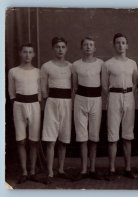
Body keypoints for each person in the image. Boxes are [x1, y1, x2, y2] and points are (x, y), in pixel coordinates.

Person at [102, 33, 138, 181]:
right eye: (117, 43)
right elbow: (104, 85)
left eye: (123, 43)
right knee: (112, 136)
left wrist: (129, 94)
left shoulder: (132, 63)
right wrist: (112, 98)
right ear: (114, 45)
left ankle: (128, 168)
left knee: (128, 135)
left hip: (128, 97)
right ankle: (111, 168)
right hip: (114, 97)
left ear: (127, 45)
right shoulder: (108, 64)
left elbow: (136, 81)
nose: (121, 45)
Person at [41, 37, 73, 184]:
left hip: (67, 103)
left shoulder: (71, 67)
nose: (60, 50)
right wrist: (50, 100)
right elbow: (43, 88)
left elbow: (74, 87)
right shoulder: (46, 66)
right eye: (57, 47)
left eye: (62, 47)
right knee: (50, 139)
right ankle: (50, 172)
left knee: (64, 139)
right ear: (53, 49)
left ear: (66, 49)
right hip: (52, 103)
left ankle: (60, 169)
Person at [8, 43, 41, 184]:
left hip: (34, 105)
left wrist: (35, 102)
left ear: (33, 55)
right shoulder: (13, 71)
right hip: (19, 105)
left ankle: (32, 171)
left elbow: (40, 91)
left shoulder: (38, 72)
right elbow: (11, 91)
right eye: (25, 52)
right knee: (21, 140)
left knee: (34, 140)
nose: (27, 55)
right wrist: (18, 103)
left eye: (30, 52)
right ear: (20, 53)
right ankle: (24, 172)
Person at [72, 36, 103, 181]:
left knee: (94, 136)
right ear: (81, 47)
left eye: (91, 45)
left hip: (96, 100)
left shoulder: (101, 64)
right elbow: (74, 86)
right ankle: (83, 169)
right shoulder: (76, 65)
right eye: (85, 45)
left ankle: (92, 168)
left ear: (95, 48)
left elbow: (103, 84)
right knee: (82, 136)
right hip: (80, 100)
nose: (88, 47)